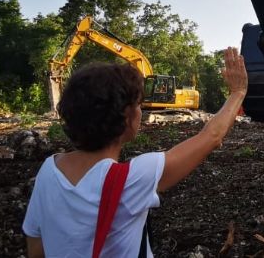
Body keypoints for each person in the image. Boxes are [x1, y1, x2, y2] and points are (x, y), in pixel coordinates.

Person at [23, 47, 247, 258]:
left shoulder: (48, 171)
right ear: (127, 116)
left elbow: (36, 250)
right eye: (138, 105)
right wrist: (237, 92)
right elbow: (211, 136)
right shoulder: (135, 177)